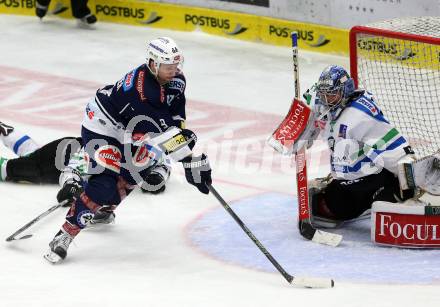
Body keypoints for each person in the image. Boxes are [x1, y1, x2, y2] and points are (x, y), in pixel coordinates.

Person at [44, 37, 212, 263]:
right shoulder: (142, 92)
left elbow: (175, 115)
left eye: (176, 65)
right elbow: (163, 134)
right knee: (103, 184)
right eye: (168, 66)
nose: (174, 70)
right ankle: (64, 234)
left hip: (130, 128)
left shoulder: (175, 79)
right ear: (153, 64)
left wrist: (186, 143)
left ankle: (101, 209)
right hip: (102, 127)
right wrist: (191, 160)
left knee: (136, 171)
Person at [293, 65, 419, 228]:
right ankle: (364, 201)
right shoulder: (321, 102)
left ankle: (392, 191)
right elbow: (305, 117)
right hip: (348, 174)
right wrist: (296, 121)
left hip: (376, 173)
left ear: (345, 91)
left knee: (383, 205)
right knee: (324, 207)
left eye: (332, 94)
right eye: (323, 93)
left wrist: (409, 179)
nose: (327, 98)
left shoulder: (360, 114)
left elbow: (393, 147)